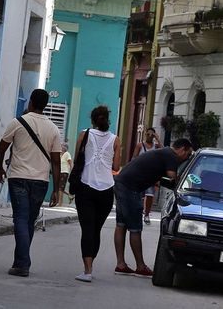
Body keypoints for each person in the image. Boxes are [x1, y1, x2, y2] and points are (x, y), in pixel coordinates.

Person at [0, 89, 62, 278]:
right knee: (28, 221)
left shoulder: (17, 123)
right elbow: (56, 161)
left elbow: (1, 149)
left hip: (19, 178)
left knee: (21, 219)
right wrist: (56, 189)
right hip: (41, 181)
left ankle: (22, 263)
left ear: (31, 102)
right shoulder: (53, 129)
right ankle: (20, 261)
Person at [113, 138, 194, 278]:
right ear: (182, 149)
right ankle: (140, 266)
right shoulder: (171, 156)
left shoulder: (164, 153)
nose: (187, 158)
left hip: (122, 182)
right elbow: (173, 180)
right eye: (188, 154)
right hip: (130, 188)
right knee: (135, 228)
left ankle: (121, 264)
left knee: (121, 225)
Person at [73, 105, 121, 283]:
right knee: (96, 230)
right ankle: (90, 266)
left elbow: (77, 158)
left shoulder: (84, 134)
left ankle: (87, 270)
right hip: (106, 190)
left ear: (92, 120)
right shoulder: (116, 140)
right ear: (107, 120)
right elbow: (116, 167)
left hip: (86, 186)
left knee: (87, 229)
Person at [133, 128, 162, 224]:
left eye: (151, 134)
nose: (149, 136)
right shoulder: (140, 145)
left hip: (151, 175)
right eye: (148, 134)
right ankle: (138, 213)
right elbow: (134, 158)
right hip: (140, 174)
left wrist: (157, 138)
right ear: (145, 134)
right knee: (139, 195)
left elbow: (164, 151)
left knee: (150, 195)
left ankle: (147, 214)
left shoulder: (156, 146)